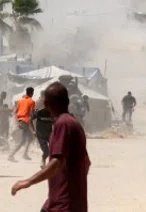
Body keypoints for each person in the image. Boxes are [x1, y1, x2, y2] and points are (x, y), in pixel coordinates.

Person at [11, 82, 90, 212]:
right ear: (68, 102)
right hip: (68, 203)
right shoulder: (74, 123)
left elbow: (57, 162)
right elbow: (86, 163)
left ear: (46, 104)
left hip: (63, 206)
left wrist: (28, 181)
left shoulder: (62, 124)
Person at [8, 87, 37, 162]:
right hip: (26, 122)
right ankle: (11, 155)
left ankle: (24, 154)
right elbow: (33, 114)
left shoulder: (20, 101)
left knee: (30, 138)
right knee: (23, 140)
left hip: (20, 121)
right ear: (32, 93)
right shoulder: (32, 101)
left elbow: (16, 111)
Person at [34, 93, 55, 169]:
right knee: (46, 151)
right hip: (41, 133)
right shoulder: (39, 110)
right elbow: (31, 119)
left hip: (49, 133)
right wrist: (33, 130)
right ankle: (43, 160)